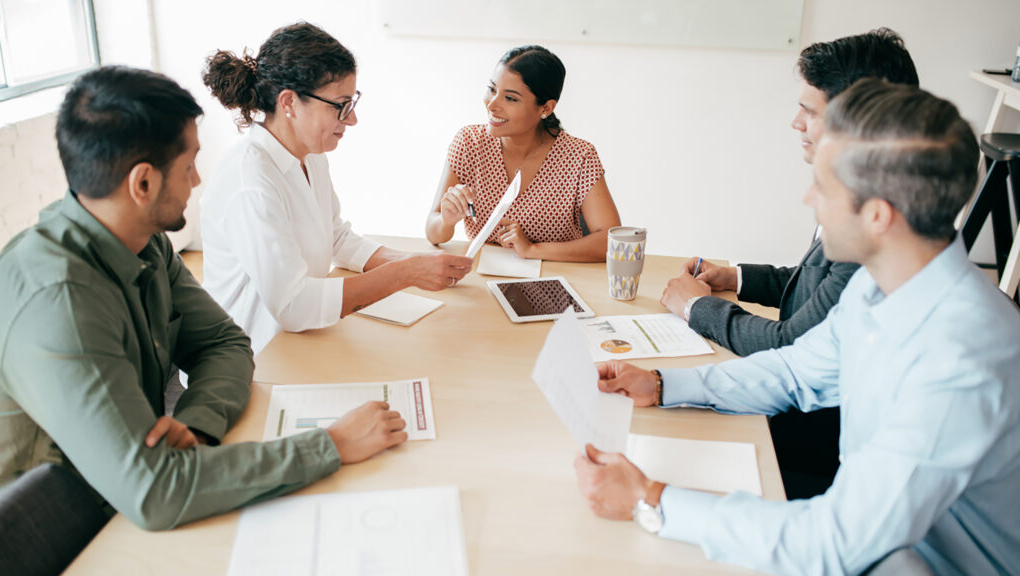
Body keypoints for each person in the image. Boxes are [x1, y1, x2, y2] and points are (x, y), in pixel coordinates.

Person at [575, 79, 1020, 574]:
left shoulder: (958, 361)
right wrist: (663, 384)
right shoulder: (883, 286)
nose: (810, 198)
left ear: (877, 216)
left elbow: (838, 544)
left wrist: (650, 500)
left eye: (825, 186)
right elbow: (794, 371)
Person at [0, 66, 408, 530]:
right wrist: (329, 445)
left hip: (119, 499)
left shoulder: (143, 241)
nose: (197, 181)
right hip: (52, 535)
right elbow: (156, 492)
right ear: (143, 184)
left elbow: (225, 344)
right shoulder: (57, 300)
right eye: (190, 164)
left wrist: (195, 426)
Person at [660, 28, 920, 498]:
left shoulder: (877, 231)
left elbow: (791, 345)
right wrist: (734, 278)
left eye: (809, 111)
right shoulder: (865, 195)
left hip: (817, 441)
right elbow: (814, 287)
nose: (795, 123)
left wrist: (697, 310)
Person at [201, 22, 473, 355]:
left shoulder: (308, 154)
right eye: (340, 105)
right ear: (288, 102)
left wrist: (417, 261)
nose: (353, 119)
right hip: (251, 358)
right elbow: (293, 307)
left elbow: (336, 237)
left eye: (352, 102)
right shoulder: (251, 182)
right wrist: (404, 274)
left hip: (296, 343)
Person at [425, 45, 621, 262]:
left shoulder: (579, 156)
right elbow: (433, 233)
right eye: (492, 89)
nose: (492, 104)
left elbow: (610, 242)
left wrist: (532, 250)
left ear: (545, 108)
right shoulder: (469, 143)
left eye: (510, 98)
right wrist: (446, 220)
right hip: (482, 278)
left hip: (555, 281)